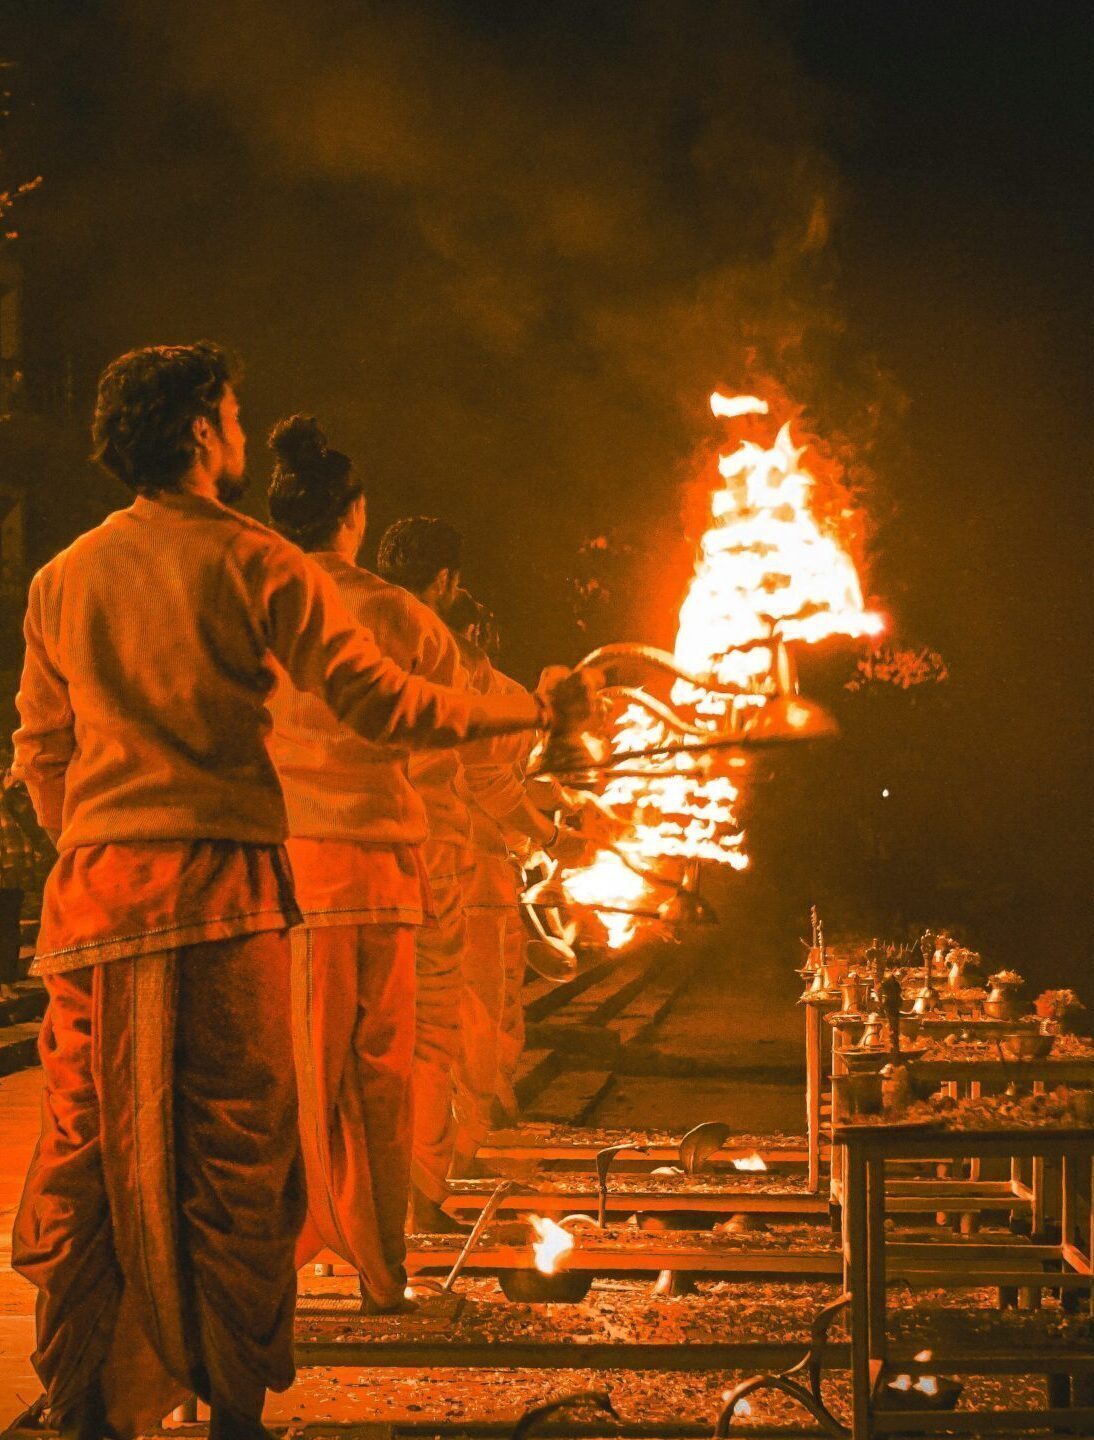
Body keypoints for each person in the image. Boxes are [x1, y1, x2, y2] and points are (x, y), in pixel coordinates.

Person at [10, 344, 586, 1440]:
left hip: (91, 902)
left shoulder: (63, 575)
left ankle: (87, 1398)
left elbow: (40, 752)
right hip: (224, 893)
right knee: (237, 1147)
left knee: (87, 1147)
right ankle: (229, 1410)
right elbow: (388, 706)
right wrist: (528, 714)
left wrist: (91, 831)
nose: (238, 432)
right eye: (228, 415)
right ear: (197, 434)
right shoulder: (260, 564)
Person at [265, 416, 448, 1312]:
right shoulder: (402, 615)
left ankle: (273, 1262)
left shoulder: (255, 608)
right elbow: (446, 751)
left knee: (294, 1078)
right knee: (385, 1082)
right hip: (387, 881)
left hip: (298, 883)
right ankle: (384, 1272)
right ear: (353, 518)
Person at [376, 519, 590, 1224]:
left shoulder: (332, 625)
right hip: (440, 868)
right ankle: (423, 1193)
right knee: (447, 1038)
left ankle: (377, 1203)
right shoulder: (441, 656)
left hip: (351, 866)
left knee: (376, 1042)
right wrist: (547, 834)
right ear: (445, 586)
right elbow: (484, 775)